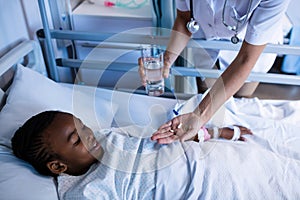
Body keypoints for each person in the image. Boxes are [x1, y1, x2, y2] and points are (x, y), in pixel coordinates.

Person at [139, 0, 291, 144]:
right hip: (207, 40)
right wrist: (166, 60)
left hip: (250, 45)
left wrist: (199, 115)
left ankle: (227, 130)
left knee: (239, 101)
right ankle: (215, 130)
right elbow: (184, 19)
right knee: (207, 95)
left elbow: (246, 58)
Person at [11, 110, 253, 199]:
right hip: (186, 184)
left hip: (191, 152)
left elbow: (166, 137)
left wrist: (216, 131)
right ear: (58, 167)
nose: (89, 134)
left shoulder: (107, 138)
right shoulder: (85, 191)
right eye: (77, 139)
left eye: (84, 126)